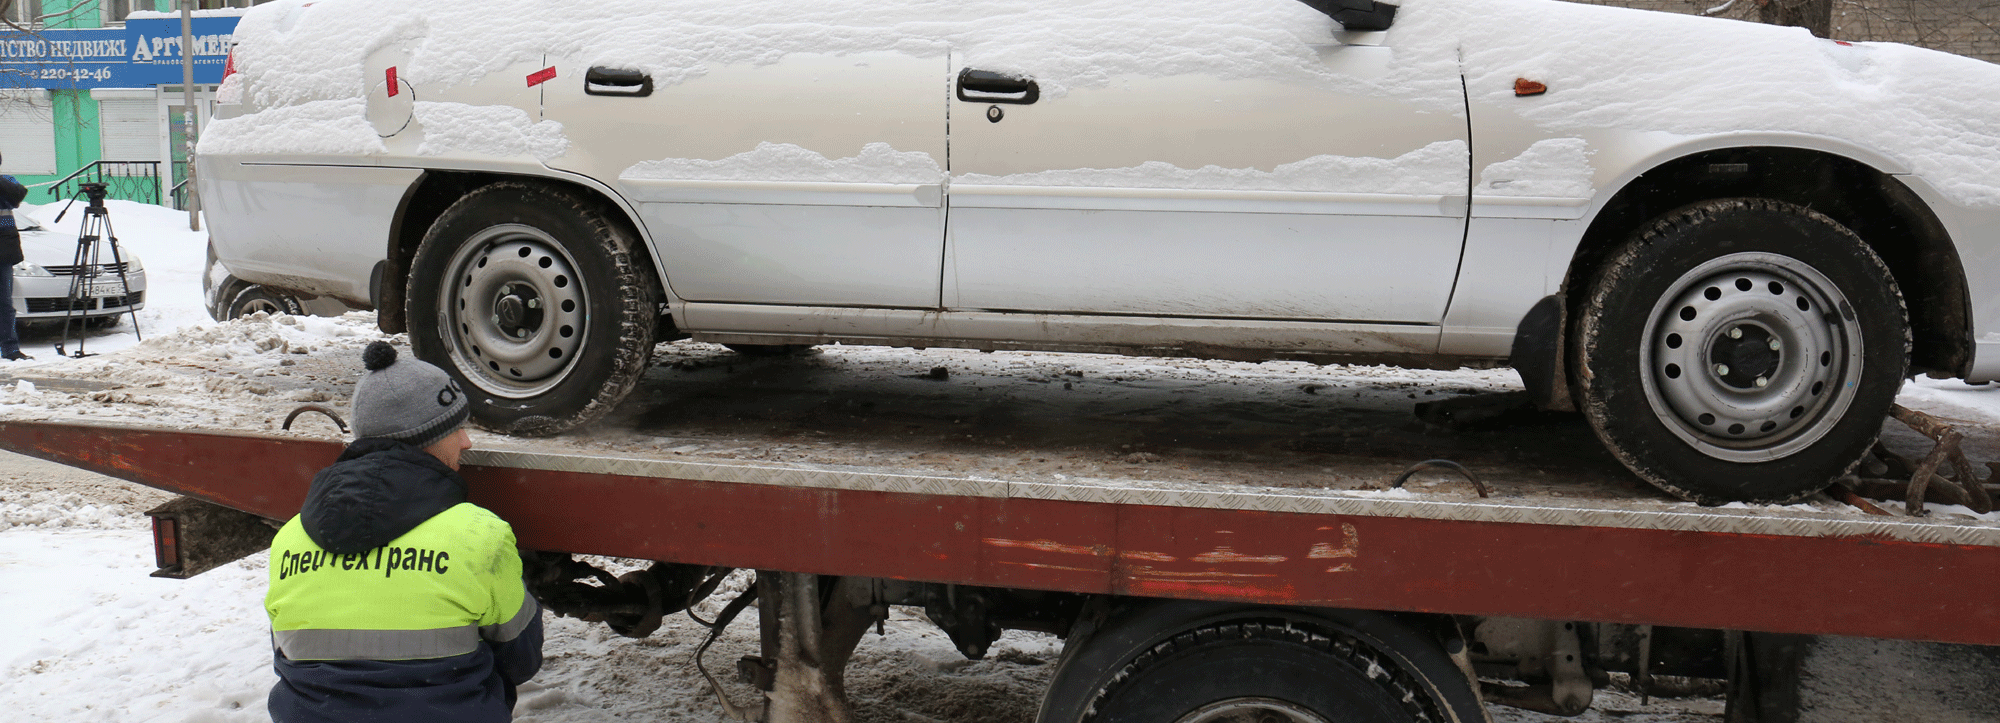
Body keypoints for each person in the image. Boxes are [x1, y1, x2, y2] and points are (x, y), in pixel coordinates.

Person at [265, 340, 542, 723]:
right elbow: (521, 660)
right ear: (424, 439)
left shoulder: (290, 539)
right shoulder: (479, 535)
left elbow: (287, 655)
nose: (467, 441)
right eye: (455, 429)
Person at [0, 153, 30, 361]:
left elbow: (18, 194)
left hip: (3, 252)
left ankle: (10, 349)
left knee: (4, 304)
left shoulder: (7, 181)